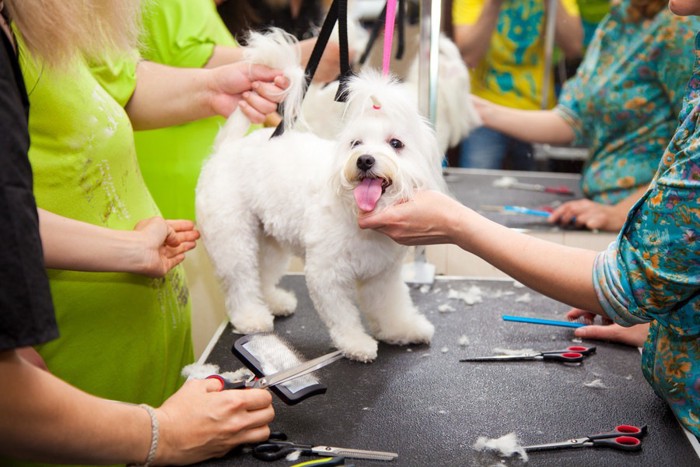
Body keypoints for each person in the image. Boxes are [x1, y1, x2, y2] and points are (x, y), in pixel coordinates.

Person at [357, 0, 700, 438]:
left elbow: (630, 284)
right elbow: (571, 117)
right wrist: (662, 327)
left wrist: (457, 223)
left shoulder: (671, 34)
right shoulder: (623, 24)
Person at [4, 0, 286, 459]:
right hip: (70, 391)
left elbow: (121, 83)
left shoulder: (42, 18)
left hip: (144, 373)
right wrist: (163, 434)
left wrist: (216, 89)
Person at [472, 0, 700, 232]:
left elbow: (692, 150)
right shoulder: (617, 21)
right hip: (602, 211)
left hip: (649, 222)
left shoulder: (677, 30)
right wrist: (477, 110)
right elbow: (571, 119)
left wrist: (619, 213)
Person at [452, 0, 583, 170]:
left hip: (536, 111)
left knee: (537, 188)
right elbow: (469, 57)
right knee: (476, 185)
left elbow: (573, 47)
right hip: (483, 112)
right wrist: (493, 4)